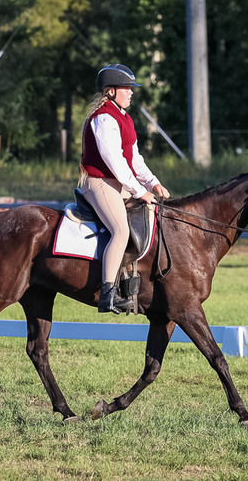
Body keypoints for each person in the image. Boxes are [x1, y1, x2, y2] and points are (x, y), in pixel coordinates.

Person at [79, 64, 170, 314]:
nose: (131, 93)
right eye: (126, 88)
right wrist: (140, 191)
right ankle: (107, 294)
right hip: (99, 182)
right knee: (120, 231)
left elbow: (134, 158)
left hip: (118, 183)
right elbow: (115, 161)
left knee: (150, 217)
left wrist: (153, 182)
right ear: (110, 91)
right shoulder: (103, 118)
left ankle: (131, 284)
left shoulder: (125, 118)